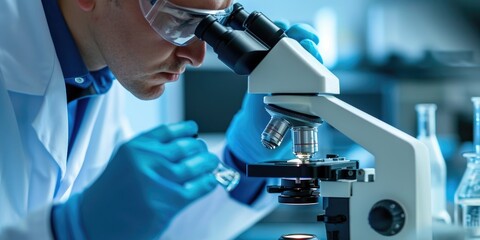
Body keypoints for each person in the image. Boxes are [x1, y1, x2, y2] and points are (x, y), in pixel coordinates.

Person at [0, 0, 323, 239]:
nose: (196, 57)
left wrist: (245, 162)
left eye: (215, 23)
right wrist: (69, 231)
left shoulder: (95, 72)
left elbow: (152, 228)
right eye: (180, 21)